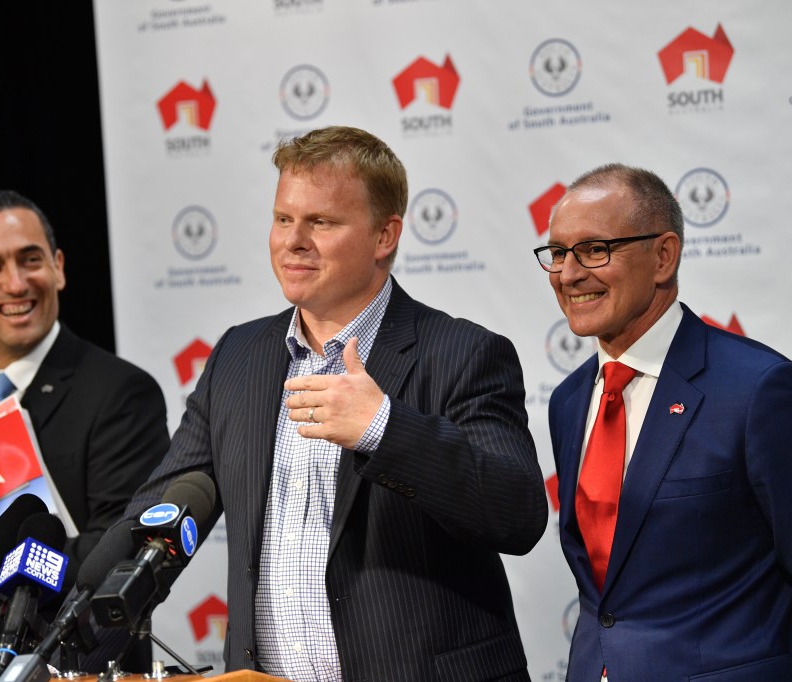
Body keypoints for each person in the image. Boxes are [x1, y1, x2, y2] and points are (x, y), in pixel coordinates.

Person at [88, 126, 547, 681]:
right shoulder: (239, 356)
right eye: (283, 219)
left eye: (321, 222)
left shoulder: (463, 353)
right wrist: (43, 605)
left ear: (385, 236)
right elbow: (159, 511)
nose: (292, 240)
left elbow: (516, 513)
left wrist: (383, 427)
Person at [536, 163, 792, 680]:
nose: (569, 273)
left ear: (663, 255)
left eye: (594, 250)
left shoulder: (761, 391)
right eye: (557, 253)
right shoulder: (569, 400)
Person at [0, 189, 172, 574]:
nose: (16, 284)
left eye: (30, 260)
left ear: (58, 267)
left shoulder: (121, 393)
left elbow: (122, 556)